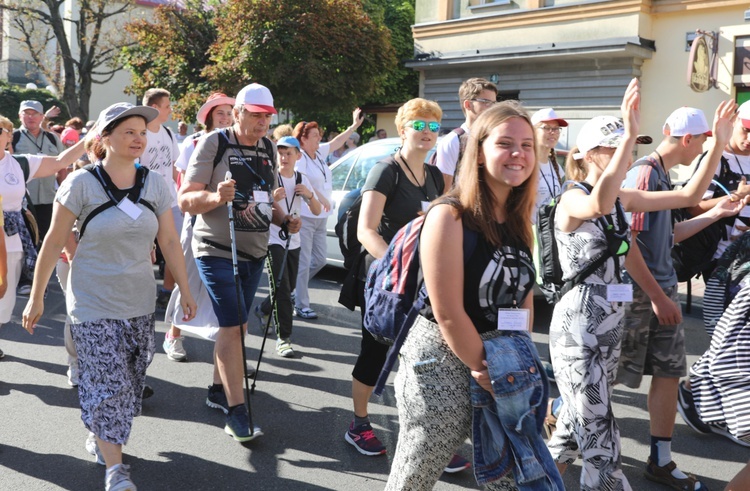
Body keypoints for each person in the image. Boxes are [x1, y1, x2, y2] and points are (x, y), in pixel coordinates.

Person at [384, 100, 564, 490]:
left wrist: (516, 356)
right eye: (505, 144)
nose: (518, 153)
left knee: (511, 475)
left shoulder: (519, 219)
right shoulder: (448, 216)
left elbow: (522, 295)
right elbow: (447, 311)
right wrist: (488, 369)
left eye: (527, 145)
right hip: (441, 361)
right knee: (416, 473)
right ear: (479, 152)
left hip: (500, 360)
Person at [21, 102, 196, 491]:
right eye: (129, 132)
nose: (139, 139)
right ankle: (116, 471)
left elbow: (168, 240)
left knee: (130, 385)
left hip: (138, 301)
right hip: (91, 301)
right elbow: (52, 243)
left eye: (142, 132)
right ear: (104, 138)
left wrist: (184, 289)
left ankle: (100, 429)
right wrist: (36, 297)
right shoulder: (81, 183)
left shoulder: (155, 183)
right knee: (107, 383)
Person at [616, 101, 740, 490]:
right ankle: (560, 421)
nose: (701, 149)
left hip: (659, 292)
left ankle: (661, 460)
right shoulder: (643, 175)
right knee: (606, 375)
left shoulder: (661, 175)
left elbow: (666, 236)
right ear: (687, 139)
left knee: (668, 374)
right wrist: (658, 297)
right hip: (641, 296)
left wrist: (717, 213)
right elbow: (627, 246)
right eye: (701, 142)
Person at [347, 98, 474, 473]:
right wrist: (395, 264)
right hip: (387, 280)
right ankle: (358, 424)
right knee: (374, 353)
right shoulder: (385, 171)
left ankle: (426, 437)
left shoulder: (436, 177)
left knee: (420, 359)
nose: (427, 132)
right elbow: (365, 229)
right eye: (419, 125)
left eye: (434, 127)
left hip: (424, 280)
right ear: (403, 129)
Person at [179, 82, 298, 441]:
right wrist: (216, 196)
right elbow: (186, 198)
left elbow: (264, 199)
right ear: (239, 112)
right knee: (232, 326)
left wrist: (283, 220)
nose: (264, 123)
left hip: (255, 251)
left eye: (268, 117)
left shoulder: (266, 147)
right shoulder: (214, 143)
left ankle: (218, 389)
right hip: (216, 248)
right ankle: (237, 410)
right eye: (257, 115)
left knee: (239, 326)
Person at [0, 114, 86, 359]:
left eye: (1, 131)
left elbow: (62, 160)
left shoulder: (19, 164)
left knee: (4, 303)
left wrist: (93, 135)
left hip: (12, 242)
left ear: (8, 136)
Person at [164, 92, 236, 362]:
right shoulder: (194, 143)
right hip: (197, 219)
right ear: (208, 117)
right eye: (220, 113)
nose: (226, 118)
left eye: (229, 113)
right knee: (188, 278)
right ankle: (173, 334)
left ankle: (230, 349)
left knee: (227, 285)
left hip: (230, 224)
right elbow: (184, 187)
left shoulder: (240, 144)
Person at [292, 110, 363, 320]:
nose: (319, 138)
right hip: (305, 215)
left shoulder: (319, 153)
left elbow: (337, 142)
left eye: (319, 135)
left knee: (319, 260)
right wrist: (319, 197)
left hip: (321, 217)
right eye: (314, 135)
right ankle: (301, 304)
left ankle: (290, 290)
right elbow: (301, 180)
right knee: (304, 263)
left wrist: (353, 127)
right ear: (303, 139)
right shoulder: (300, 157)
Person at [255, 136, 321, 357]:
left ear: (298, 156)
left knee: (288, 287)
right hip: (273, 239)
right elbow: (256, 206)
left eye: (288, 153)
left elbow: (317, 210)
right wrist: (271, 198)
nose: (284, 157)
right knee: (282, 289)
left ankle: (263, 310)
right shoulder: (270, 178)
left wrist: (309, 195)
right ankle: (283, 339)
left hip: (294, 240)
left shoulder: (302, 179)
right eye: (280, 153)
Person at [685, 100, 750, 277]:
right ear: (735, 121)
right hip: (722, 262)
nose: (749, 139)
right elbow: (693, 207)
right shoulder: (717, 159)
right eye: (746, 130)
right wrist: (736, 196)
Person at [140, 89, 182, 316]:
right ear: (155, 108)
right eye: (167, 106)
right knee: (144, 250)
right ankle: (142, 292)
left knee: (176, 248)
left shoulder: (168, 132)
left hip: (171, 202)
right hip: (145, 202)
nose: (171, 110)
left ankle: (167, 291)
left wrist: (181, 192)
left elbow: (176, 167)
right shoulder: (140, 133)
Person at [13, 100, 65, 244]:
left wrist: (63, 191)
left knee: (48, 242)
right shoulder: (13, 137)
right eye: (27, 113)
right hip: (22, 203)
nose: (31, 117)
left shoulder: (52, 138)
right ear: (19, 116)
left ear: (42, 116)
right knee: (26, 243)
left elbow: (62, 167)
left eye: (35, 113)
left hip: (49, 200)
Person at [434, 77, 498, 189]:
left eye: (494, 103)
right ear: (468, 105)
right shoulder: (453, 141)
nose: (492, 108)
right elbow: (444, 191)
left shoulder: (495, 138)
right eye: (486, 102)